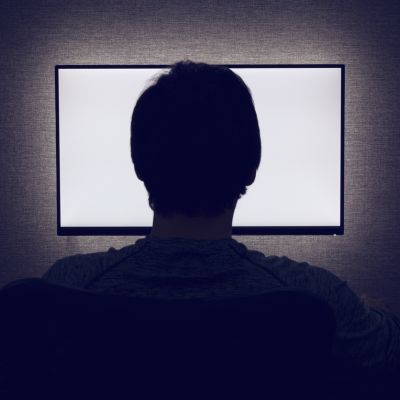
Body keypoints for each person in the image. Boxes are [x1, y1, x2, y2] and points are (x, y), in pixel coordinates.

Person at [42, 60, 400, 373]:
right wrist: (361, 312)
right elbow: (388, 350)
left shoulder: (65, 287)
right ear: (251, 168)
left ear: (138, 164)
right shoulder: (315, 299)